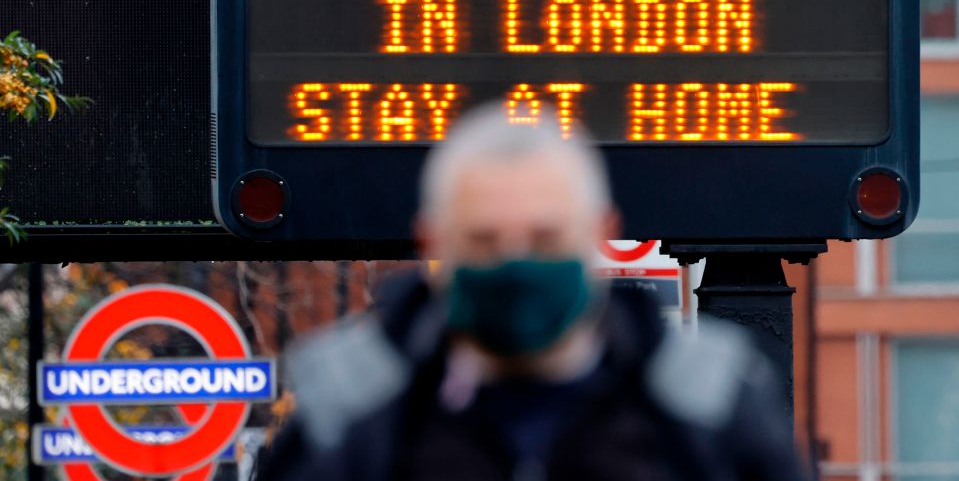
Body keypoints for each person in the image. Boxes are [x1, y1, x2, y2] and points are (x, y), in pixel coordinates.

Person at [256, 104, 807, 481]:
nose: (516, 263)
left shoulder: (712, 412)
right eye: (485, 239)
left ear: (600, 232)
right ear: (432, 242)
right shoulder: (345, 420)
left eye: (545, 237)